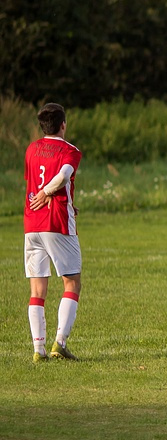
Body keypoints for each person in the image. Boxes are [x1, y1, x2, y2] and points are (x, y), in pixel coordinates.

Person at [23, 103, 83, 362]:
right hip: (56, 222)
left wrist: (46, 194)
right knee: (72, 282)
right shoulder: (70, 151)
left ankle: (39, 351)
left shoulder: (31, 149)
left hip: (32, 224)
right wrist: (48, 192)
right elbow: (62, 176)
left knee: (37, 290)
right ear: (63, 125)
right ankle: (60, 343)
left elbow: (33, 182)